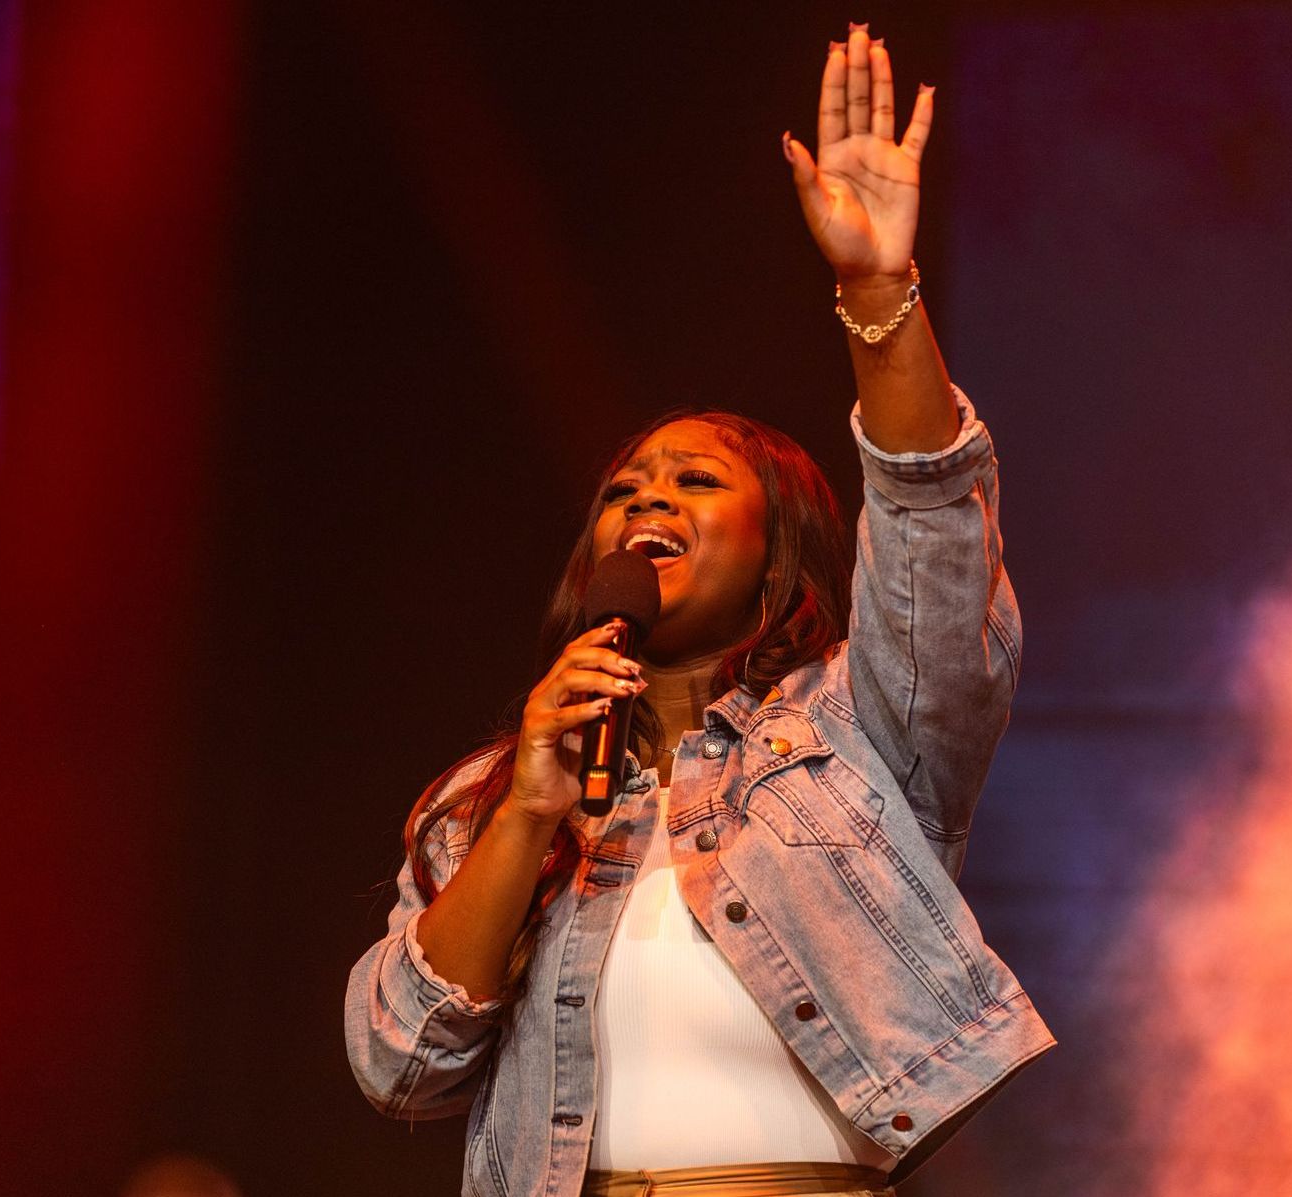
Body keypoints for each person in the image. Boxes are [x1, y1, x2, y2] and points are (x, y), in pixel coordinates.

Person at [346, 24, 1053, 1197]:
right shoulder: (491, 804)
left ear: (778, 550)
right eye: (622, 488)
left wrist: (876, 286)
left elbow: (933, 532)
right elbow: (401, 1063)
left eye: (693, 480)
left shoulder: (854, 738)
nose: (645, 498)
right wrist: (528, 812)